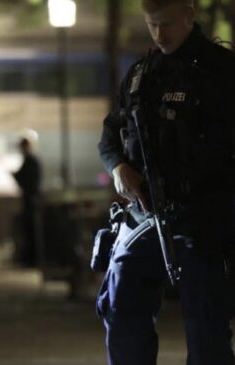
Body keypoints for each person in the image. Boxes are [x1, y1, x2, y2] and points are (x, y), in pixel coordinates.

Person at [97, 1, 235, 364]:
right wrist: (117, 168)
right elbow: (110, 133)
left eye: (167, 24)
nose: (159, 34)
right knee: (120, 306)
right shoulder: (143, 73)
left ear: (189, 14)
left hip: (203, 216)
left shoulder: (220, 70)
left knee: (207, 328)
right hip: (146, 216)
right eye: (151, 25)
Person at [12, 137, 42, 266]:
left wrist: (16, 176)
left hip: (31, 200)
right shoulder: (31, 161)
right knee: (29, 230)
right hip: (30, 199)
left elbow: (26, 180)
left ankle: (31, 259)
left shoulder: (31, 161)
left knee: (31, 231)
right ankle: (31, 258)